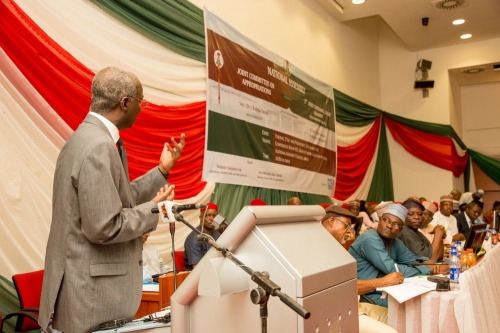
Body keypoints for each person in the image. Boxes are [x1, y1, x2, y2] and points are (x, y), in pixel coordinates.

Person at [39, 67, 185, 333]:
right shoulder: (99, 146)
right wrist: (156, 210)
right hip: (90, 299)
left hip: (83, 293)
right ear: (125, 102)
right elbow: (104, 225)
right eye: (142, 102)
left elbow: (112, 198)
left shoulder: (87, 138)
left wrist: (161, 171)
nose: (142, 109)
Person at [348, 204, 448, 307]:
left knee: (423, 300)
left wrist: (427, 264)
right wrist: (429, 269)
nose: (389, 226)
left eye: (395, 224)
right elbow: (392, 269)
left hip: (385, 290)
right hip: (366, 297)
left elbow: (413, 260)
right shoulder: (369, 239)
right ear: (380, 220)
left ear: (400, 229)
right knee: (415, 305)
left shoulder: (395, 242)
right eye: (386, 220)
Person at [320, 205, 398, 332]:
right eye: (346, 225)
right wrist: (383, 282)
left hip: (355, 305)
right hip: (337, 313)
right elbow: (344, 287)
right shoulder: (319, 249)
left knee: (402, 316)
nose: (349, 231)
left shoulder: (334, 247)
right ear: (332, 221)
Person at [184, 202, 221, 270]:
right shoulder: (194, 238)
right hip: (202, 276)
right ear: (201, 218)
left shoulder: (218, 235)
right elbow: (197, 269)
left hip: (219, 269)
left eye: (214, 216)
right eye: (208, 215)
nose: (212, 219)